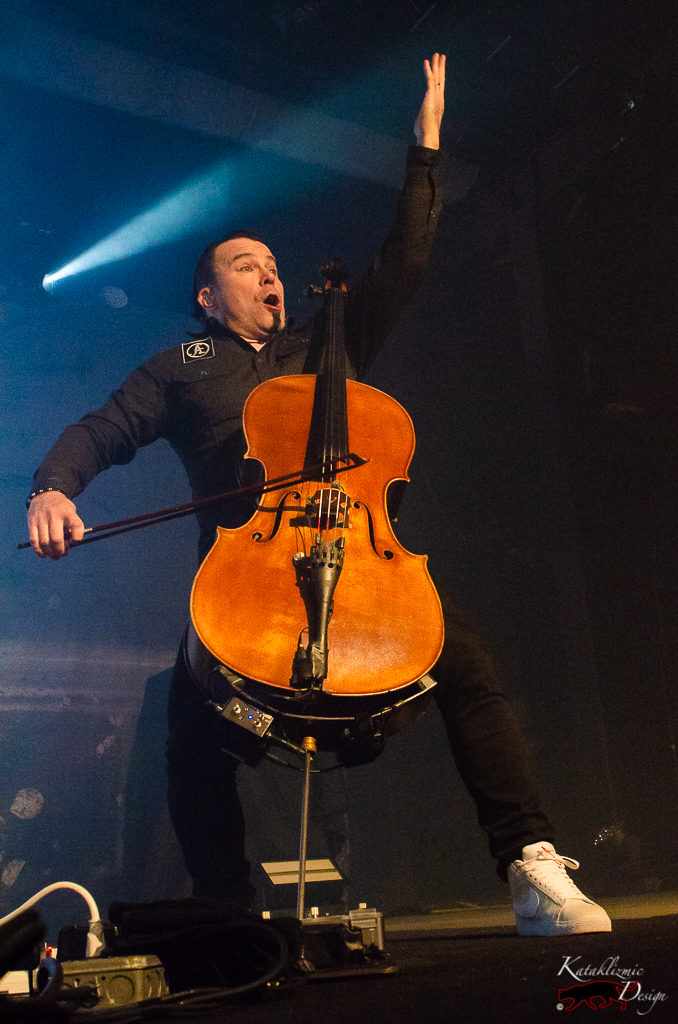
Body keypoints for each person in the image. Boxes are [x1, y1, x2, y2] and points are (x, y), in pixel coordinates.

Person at [26, 54, 610, 936]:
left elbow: (404, 257)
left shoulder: (324, 345)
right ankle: (224, 906)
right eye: (245, 264)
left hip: (355, 558)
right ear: (208, 293)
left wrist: (425, 149)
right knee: (186, 722)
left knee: (467, 663)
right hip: (244, 581)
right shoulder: (182, 367)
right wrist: (52, 488)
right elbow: (101, 431)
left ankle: (530, 865)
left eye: (272, 265)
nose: (269, 274)